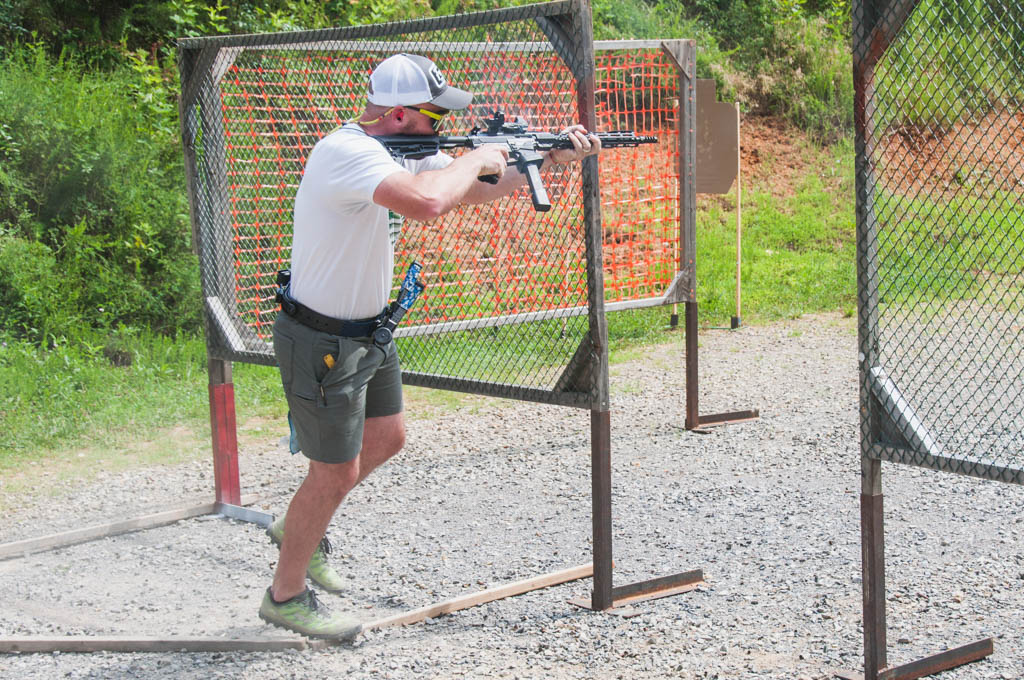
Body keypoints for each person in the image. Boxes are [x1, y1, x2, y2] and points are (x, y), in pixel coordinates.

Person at [258, 53, 601, 639]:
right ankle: (285, 595)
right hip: (322, 340)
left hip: (368, 330)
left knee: (388, 438)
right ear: (396, 115)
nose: (441, 126)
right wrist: (475, 157)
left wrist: (545, 157)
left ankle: (299, 522)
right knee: (335, 473)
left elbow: (471, 191)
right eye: (431, 115)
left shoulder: (399, 152)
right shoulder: (346, 153)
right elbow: (431, 201)